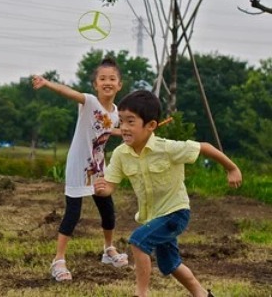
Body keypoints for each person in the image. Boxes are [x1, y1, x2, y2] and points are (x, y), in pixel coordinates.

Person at [94, 90, 242, 297]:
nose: (124, 128)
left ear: (151, 126)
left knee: (138, 241)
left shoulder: (167, 148)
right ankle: (202, 294)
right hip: (154, 217)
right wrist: (101, 189)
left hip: (176, 212)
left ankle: (141, 294)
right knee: (170, 264)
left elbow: (205, 147)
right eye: (121, 122)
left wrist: (232, 168)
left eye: (131, 122)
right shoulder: (120, 154)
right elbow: (110, 185)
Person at [32, 57, 128, 282]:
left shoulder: (115, 112)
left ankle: (108, 250)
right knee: (73, 214)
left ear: (119, 84)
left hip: (98, 167)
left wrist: (122, 131)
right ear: (95, 84)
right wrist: (47, 83)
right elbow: (68, 92)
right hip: (78, 165)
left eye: (112, 79)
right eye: (102, 78)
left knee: (107, 209)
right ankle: (58, 260)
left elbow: (106, 128)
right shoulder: (90, 102)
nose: (107, 82)